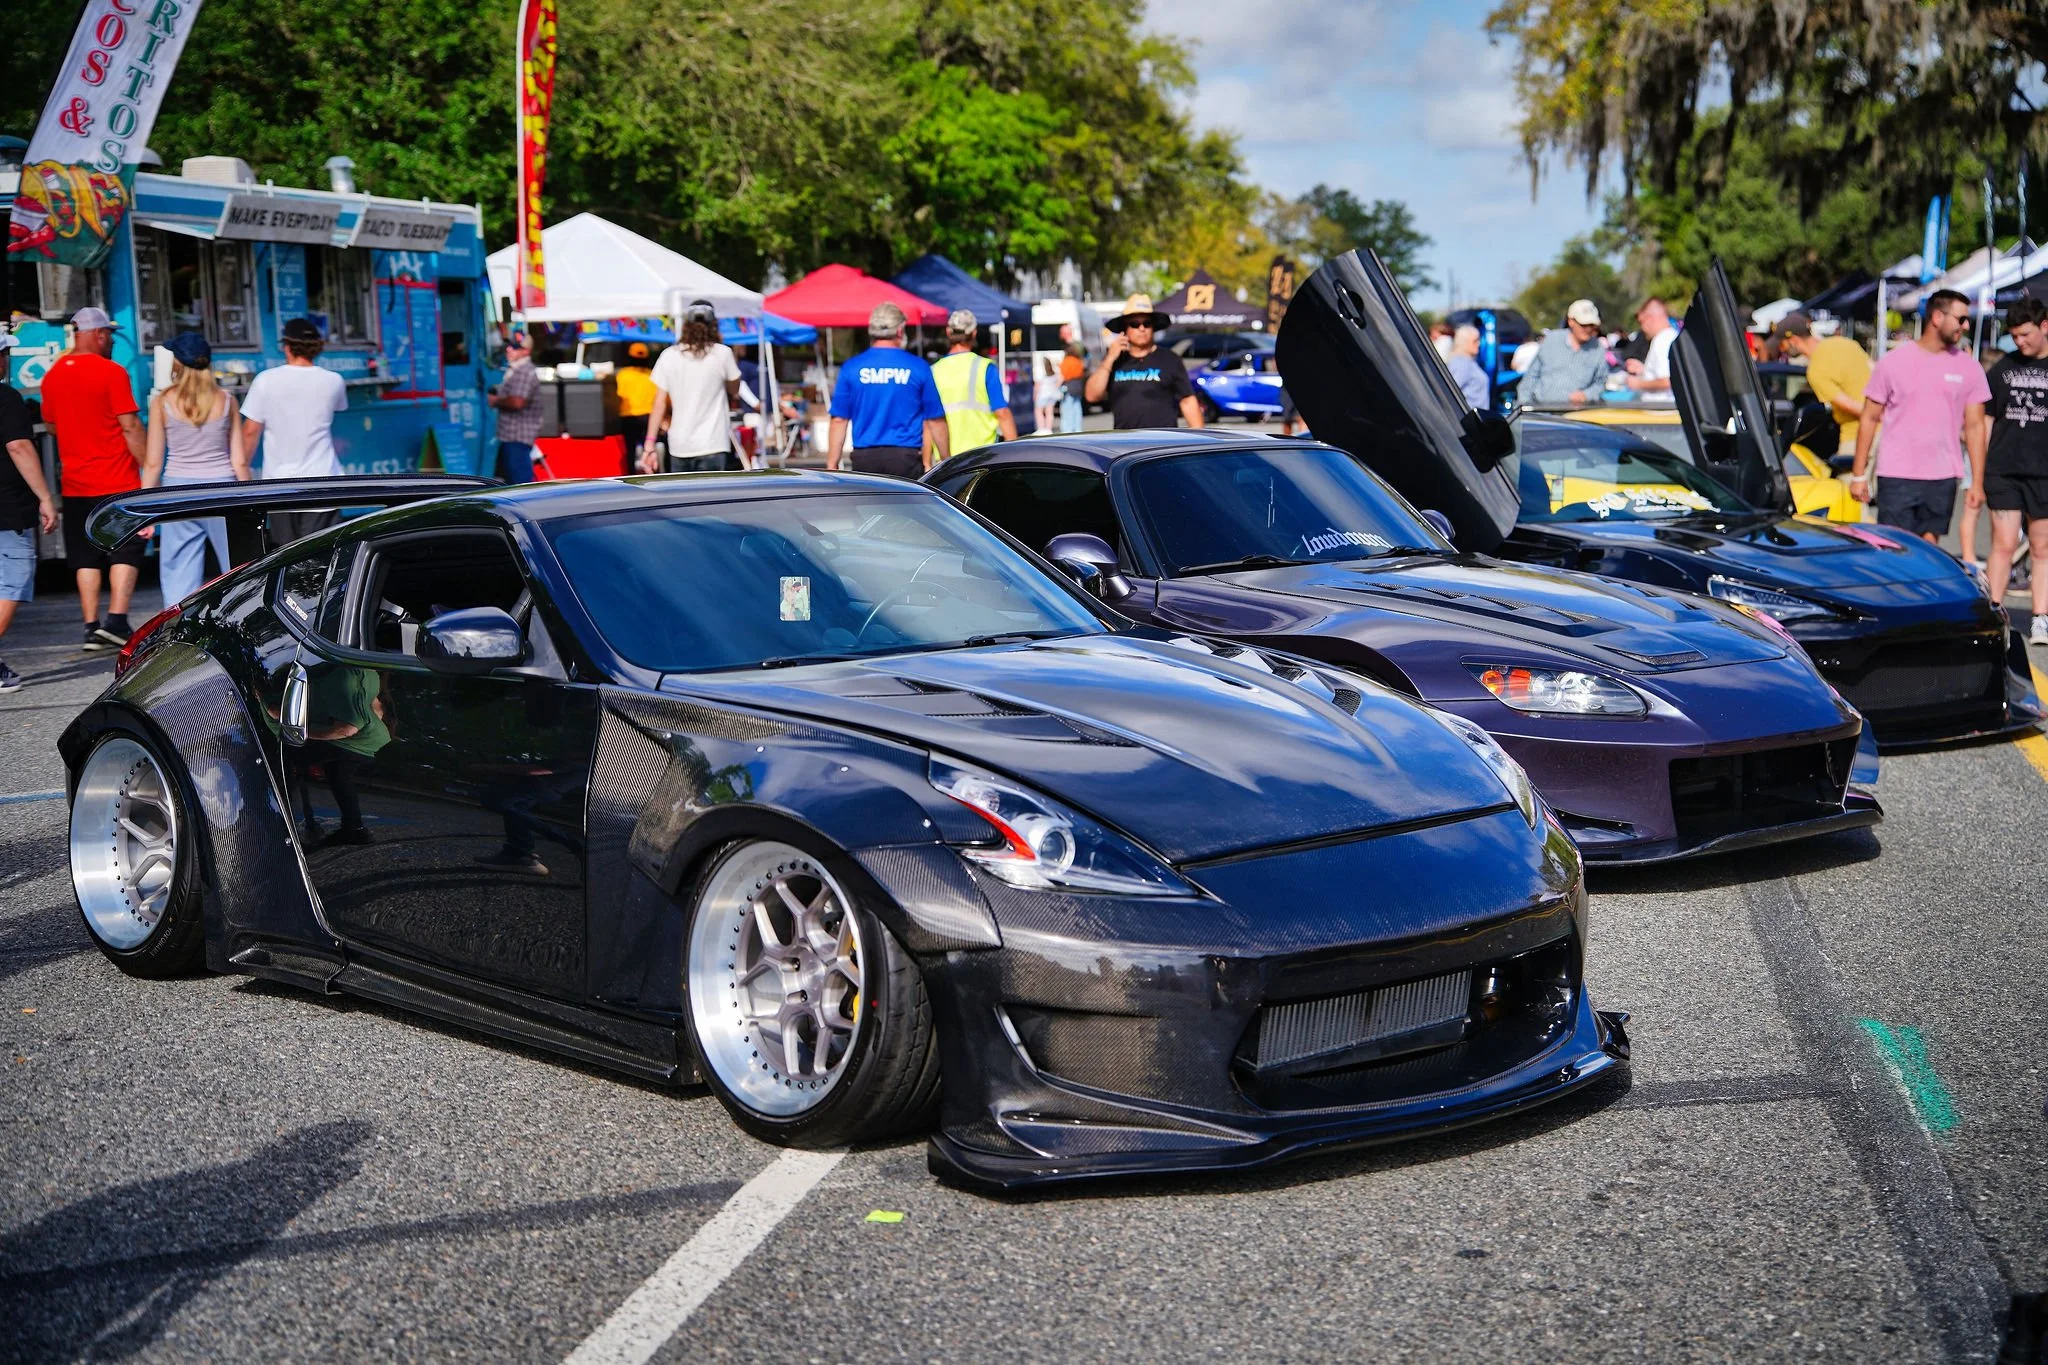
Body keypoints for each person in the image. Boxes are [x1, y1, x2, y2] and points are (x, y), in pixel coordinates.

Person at [40, 306, 145, 649]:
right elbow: (129, 425)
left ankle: (90, 626)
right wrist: (148, 468)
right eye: (110, 334)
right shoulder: (112, 372)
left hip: (75, 483)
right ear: (99, 333)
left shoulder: (53, 375)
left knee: (84, 556)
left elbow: (53, 426)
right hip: (118, 481)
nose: (112, 339)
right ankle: (116, 621)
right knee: (124, 552)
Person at [1852, 289, 1988, 543]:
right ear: (1937, 317)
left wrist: (1977, 483)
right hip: (1897, 474)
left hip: (1943, 475)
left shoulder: (1969, 368)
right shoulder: (1893, 362)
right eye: (1960, 319)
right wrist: (1859, 475)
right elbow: (1869, 417)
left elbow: (1975, 426)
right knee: (1894, 548)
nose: (1966, 325)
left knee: (1929, 548)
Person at [142, 333, 250, 605]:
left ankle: (179, 630)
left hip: (179, 492)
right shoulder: (226, 401)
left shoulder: (163, 402)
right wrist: (250, 500)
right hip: (223, 490)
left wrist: (143, 510)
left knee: (179, 569)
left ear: (177, 363)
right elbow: (239, 461)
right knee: (238, 568)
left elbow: (153, 462)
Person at [242, 317, 349, 544]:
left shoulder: (265, 381)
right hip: (323, 482)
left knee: (285, 556)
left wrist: (242, 475)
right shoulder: (334, 381)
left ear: (287, 347)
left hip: (279, 485)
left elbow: (250, 432)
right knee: (318, 555)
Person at [1980, 295, 2048, 642]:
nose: (2019, 342)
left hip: (2044, 473)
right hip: (2004, 470)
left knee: (2042, 548)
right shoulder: (2003, 369)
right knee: (2003, 545)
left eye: (2025, 334)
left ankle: (2040, 619)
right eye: (2015, 336)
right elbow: (1986, 420)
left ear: (2044, 326)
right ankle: (1993, 614)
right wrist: (1980, 474)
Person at [826, 302, 949, 477]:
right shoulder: (918, 367)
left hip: (864, 458)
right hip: (906, 457)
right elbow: (935, 421)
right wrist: (946, 461)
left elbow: (839, 420)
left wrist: (832, 465)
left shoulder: (852, 368)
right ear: (900, 331)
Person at [0, 334, 59, 690]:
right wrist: (45, 496)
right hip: (7, 507)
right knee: (14, 580)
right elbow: (19, 446)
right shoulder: (5, 398)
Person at [640, 300, 741, 473]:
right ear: (714, 324)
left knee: (684, 499)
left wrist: (649, 444)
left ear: (686, 324)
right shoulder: (722, 353)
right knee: (713, 500)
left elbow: (659, 403)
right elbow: (734, 390)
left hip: (680, 445)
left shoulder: (669, 355)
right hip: (713, 443)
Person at [1084, 294, 1203, 431]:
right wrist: (1110, 358)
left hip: (1163, 443)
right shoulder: (1115, 361)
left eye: (1147, 323)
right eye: (1134, 324)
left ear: (1153, 327)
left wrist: (1202, 441)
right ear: (1125, 330)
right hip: (1125, 443)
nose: (1142, 328)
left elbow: (1187, 400)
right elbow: (1092, 396)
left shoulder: (1170, 360)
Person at [1772, 311, 1872, 457]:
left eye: (1782, 346)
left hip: (1857, 437)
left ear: (1793, 340)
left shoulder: (1815, 371)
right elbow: (1875, 370)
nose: (1783, 351)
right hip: (1885, 434)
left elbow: (1850, 406)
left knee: (1846, 479)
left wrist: (1880, 416)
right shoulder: (1845, 343)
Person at [930, 310, 1018, 455]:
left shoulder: (933, 370)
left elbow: (928, 422)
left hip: (945, 459)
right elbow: (1002, 413)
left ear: (948, 332)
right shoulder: (985, 368)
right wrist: (1016, 455)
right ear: (974, 333)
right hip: (982, 454)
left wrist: (927, 463)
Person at [1519, 300, 1611, 406]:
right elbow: (1531, 376)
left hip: (1575, 414)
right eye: (1583, 325)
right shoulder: (1552, 340)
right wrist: (1524, 406)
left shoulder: (1598, 348)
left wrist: (1586, 395)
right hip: (1541, 411)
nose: (1588, 329)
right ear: (1571, 322)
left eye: (1592, 325)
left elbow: (1600, 383)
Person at [487, 331, 542, 482]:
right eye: (509, 346)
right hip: (510, 436)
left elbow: (518, 402)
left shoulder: (523, 371)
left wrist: (495, 400)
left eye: (515, 347)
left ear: (526, 351)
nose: (509, 350)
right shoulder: (516, 370)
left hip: (517, 437)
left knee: (519, 486)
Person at [1623, 297, 1677, 403]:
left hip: (1659, 411)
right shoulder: (1671, 336)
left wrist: (1638, 384)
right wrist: (1644, 370)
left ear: (1650, 318)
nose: (1642, 328)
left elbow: (1667, 381)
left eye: (1641, 322)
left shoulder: (1662, 341)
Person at [614, 341, 658, 460]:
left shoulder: (622, 375)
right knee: (648, 448)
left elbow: (619, 395)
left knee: (629, 450)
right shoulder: (652, 375)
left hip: (628, 417)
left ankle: (630, 473)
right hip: (648, 417)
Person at [1446, 324, 1491, 410]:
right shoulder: (1461, 363)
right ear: (1463, 342)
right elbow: (1450, 392)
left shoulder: (1469, 362)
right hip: (1468, 418)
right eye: (1475, 341)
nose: (1479, 343)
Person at [1059, 339, 1086, 433]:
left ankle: (1067, 429)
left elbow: (1063, 375)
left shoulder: (1067, 361)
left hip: (1069, 387)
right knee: (1077, 407)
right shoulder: (1079, 361)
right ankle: (1077, 428)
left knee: (1067, 409)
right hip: (1078, 386)